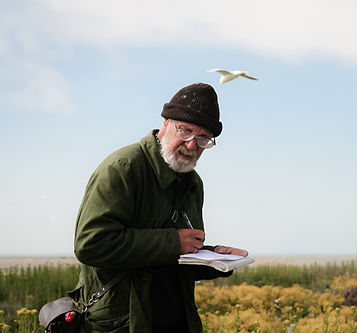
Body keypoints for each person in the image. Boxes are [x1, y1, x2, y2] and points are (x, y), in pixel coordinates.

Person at [70, 83, 248, 332]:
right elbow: (91, 244)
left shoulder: (193, 182)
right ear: (165, 122)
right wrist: (175, 242)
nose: (191, 145)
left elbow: (170, 260)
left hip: (177, 320)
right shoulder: (122, 168)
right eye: (185, 131)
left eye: (203, 139)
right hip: (123, 323)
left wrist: (215, 259)